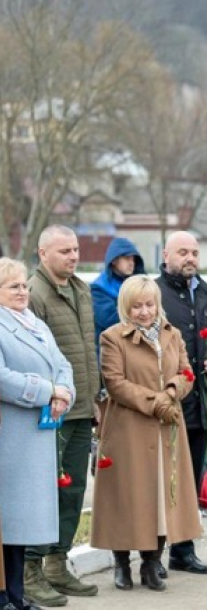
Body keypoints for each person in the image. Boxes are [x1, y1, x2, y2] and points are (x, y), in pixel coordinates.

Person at [91, 276, 203, 592]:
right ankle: (122, 564)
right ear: (126, 307)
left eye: (149, 304)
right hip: (128, 429)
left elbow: (186, 373)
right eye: (137, 306)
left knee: (161, 497)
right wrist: (159, 403)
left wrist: (171, 390)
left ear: (157, 304)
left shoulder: (173, 335)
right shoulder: (112, 337)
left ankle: (152, 564)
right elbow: (115, 383)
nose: (144, 312)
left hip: (167, 428)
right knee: (127, 498)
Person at [26, 225, 99, 606]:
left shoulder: (82, 290)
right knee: (44, 494)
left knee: (72, 492)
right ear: (43, 254)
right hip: (50, 412)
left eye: (75, 249)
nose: (73, 256)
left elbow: (87, 349)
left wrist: (94, 397)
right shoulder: (34, 294)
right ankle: (31, 570)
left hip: (83, 406)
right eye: (64, 251)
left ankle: (57, 564)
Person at [0, 257, 75, 610]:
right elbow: (2, 378)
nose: (22, 292)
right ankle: (7, 595)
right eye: (13, 286)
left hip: (39, 432)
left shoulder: (35, 324)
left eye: (24, 285)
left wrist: (64, 393)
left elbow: (63, 365)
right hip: (11, 435)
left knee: (22, 523)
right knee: (9, 521)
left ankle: (17, 594)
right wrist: (47, 391)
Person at [155, 231, 207, 575]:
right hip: (167, 404)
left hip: (201, 405)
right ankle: (153, 553)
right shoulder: (153, 294)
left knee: (192, 480)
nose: (190, 258)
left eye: (195, 252)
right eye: (183, 251)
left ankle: (183, 550)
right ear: (166, 255)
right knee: (162, 480)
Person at [90, 237, 146, 353]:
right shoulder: (99, 288)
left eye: (133, 259)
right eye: (126, 258)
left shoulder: (140, 283)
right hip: (112, 351)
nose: (131, 263)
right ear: (114, 260)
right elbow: (110, 320)